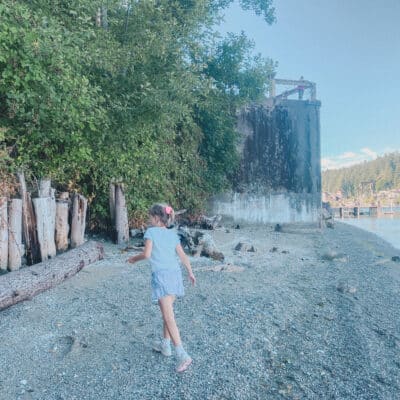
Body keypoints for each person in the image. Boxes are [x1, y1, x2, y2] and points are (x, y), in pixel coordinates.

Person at [127, 204, 196, 373]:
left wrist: (133, 259)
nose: (148, 219)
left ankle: (182, 354)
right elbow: (183, 256)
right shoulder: (172, 234)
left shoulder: (150, 232)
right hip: (175, 275)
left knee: (168, 316)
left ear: (157, 218)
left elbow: (147, 254)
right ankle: (165, 345)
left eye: (150, 217)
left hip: (162, 277)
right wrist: (190, 272)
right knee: (167, 312)